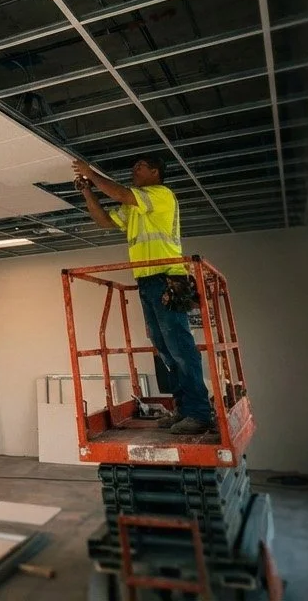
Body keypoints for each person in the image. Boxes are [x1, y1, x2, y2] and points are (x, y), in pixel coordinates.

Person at [72, 154, 215, 436]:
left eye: (140, 166)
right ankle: (184, 410)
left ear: (156, 172)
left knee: (181, 349)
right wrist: (88, 190)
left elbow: (121, 193)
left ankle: (199, 413)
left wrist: (92, 173)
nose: (133, 169)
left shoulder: (161, 195)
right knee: (165, 350)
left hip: (167, 278)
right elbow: (104, 222)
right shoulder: (134, 206)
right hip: (147, 281)